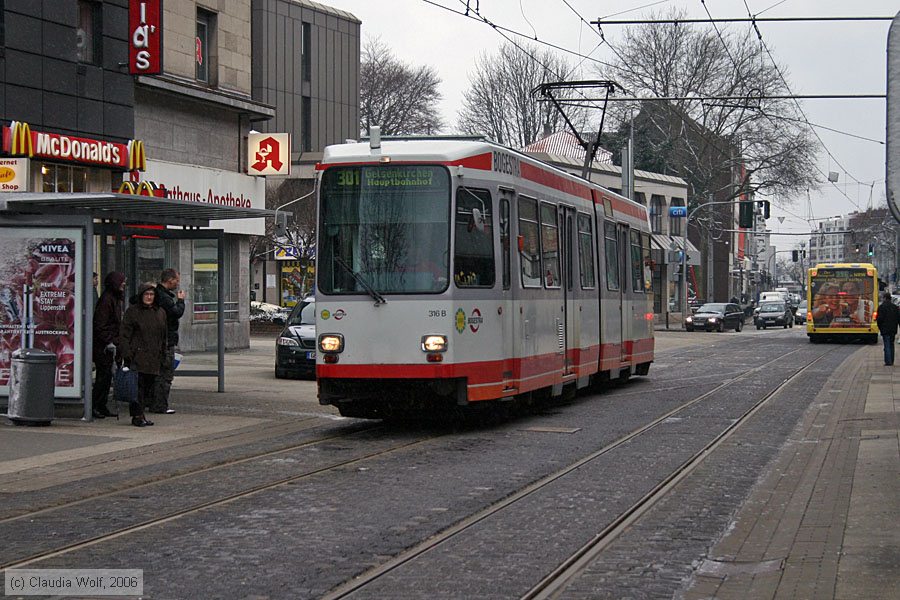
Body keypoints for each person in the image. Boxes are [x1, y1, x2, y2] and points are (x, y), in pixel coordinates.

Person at [120, 282, 167, 427]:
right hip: (137, 356)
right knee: (137, 388)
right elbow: (124, 334)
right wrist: (127, 353)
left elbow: (163, 334)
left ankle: (142, 414)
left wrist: (163, 352)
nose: (149, 297)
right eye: (146, 294)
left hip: (154, 356)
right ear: (141, 296)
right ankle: (137, 415)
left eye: (152, 294)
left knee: (148, 387)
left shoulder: (160, 312)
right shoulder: (132, 312)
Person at [91, 272, 126, 419]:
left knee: (106, 378)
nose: (124, 284)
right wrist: (109, 341)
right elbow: (100, 324)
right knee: (102, 377)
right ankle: (95, 405)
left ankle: (101, 405)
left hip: (110, 343)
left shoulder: (114, 299)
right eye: (122, 282)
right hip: (104, 346)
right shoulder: (107, 300)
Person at [152, 268, 185, 414]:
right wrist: (181, 301)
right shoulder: (164, 298)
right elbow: (175, 313)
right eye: (176, 280)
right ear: (169, 280)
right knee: (165, 374)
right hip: (165, 339)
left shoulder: (160, 295)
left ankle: (155, 402)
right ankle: (160, 404)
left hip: (160, 338)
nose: (177, 283)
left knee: (160, 373)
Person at [876, 291, 900, 366]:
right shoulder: (895, 307)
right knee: (891, 344)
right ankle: (891, 360)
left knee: (886, 345)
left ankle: (888, 361)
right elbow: (898, 318)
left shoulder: (881, 307)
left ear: (885, 298)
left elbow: (879, 319)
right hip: (893, 329)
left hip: (885, 329)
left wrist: (880, 328)